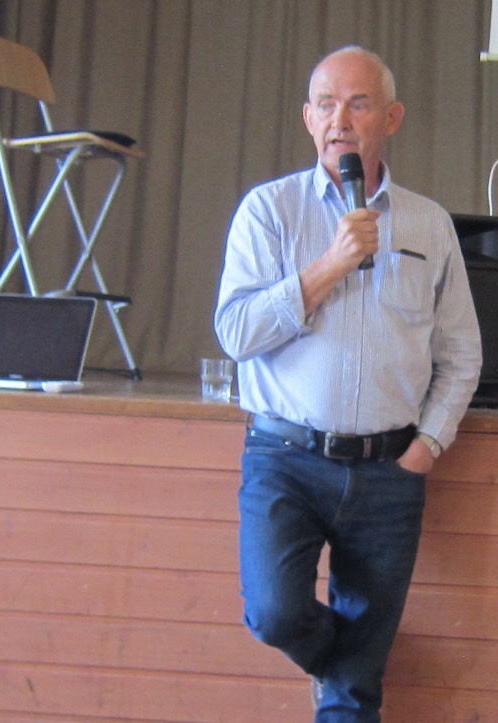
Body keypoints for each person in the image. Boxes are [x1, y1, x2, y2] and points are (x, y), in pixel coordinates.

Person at [213, 46, 482, 722]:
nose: (341, 119)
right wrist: (330, 265)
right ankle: (348, 656)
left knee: (355, 697)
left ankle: (351, 671)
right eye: (326, 104)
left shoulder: (428, 224)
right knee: (275, 613)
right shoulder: (268, 211)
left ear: (391, 118)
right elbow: (236, 331)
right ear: (308, 118)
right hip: (286, 458)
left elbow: (461, 352)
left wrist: (428, 444)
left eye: (359, 104)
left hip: (391, 470)